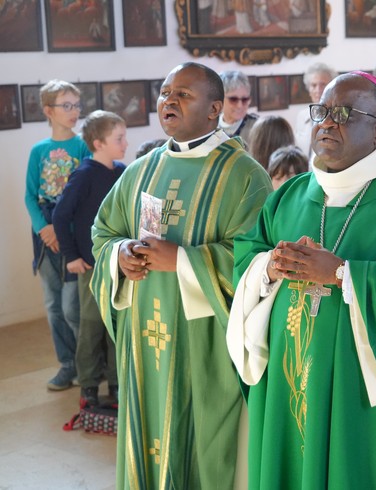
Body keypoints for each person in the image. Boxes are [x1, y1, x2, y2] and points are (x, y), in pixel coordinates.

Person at [226, 71, 376, 488]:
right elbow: (247, 256)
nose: (325, 123)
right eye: (322, 111)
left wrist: (342, 273)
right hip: (290, 383)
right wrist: (267, 267)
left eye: (342, 113)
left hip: (359, 400)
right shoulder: (290, 194)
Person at [90, 62, 272, 489]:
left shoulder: (245, 176)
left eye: (183, 94)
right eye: (165, 92)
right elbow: (104, 231)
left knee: (202, 446)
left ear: (214, 109)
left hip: (202, 341)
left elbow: (258, 262)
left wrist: (186, 261)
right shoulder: (140, 170)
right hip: (143, 342)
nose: (169, 100)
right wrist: (120, 255)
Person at [52, 110, 126, 407]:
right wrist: (71, 255)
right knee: (92, 325)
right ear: (98, 143)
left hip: (117, 264)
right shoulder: (83, 175)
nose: (125, 143)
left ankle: (117, 383)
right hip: (91, 266)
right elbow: (61, 215)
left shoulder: (122, 171)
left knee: (115, 325)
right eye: (118, 138)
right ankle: (89, 385)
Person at [24, 79, 91, 391]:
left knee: (72, 307)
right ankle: (67, 365)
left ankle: (89, 365)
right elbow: (29, 196)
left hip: (72, 234)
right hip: (45, 236)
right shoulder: (39, 151)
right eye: (67, 106)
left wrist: (62, 230)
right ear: (48, 111)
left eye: (76, 105)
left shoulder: (83, 147)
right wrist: (45, 228)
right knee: (52, 306)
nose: (74, 111)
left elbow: (84, 195)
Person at [295, 62, 338, 158]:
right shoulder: (302, 116)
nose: (318, 90)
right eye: (313, 85)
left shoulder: (338, 116)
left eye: (323, 85)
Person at [219, 70, 258, 137]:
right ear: (220, 99)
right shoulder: (208, 128)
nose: (239, 106)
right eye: (233, 99)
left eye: (244, 99)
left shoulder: (259, 128)